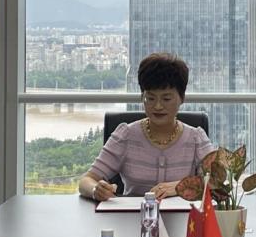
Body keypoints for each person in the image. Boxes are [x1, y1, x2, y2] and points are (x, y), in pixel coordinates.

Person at [79, 53, 214, 201]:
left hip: (184, 215)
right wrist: (96, 190)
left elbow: (218, 183)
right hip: (134, 213)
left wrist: (180, 186)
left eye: (166, 99)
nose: (158, 106)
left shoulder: (196, 138)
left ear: (182, 98)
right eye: (150, 98)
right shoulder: (126, 135)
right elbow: (86, 180)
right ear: (142, 97)